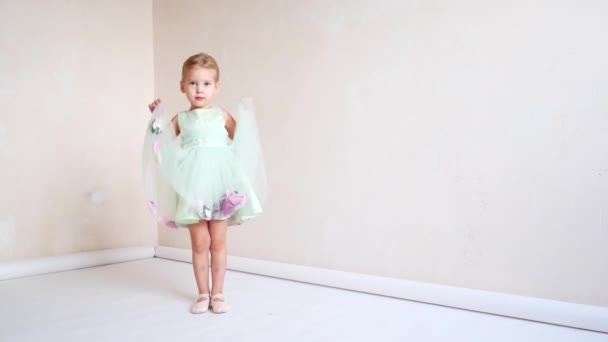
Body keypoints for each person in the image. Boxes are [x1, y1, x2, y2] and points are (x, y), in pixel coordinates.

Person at [144, 52, 266, 314]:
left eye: (206, 84)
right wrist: (157, 120)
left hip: (220, 185)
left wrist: (247, 118)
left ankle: (218, 294)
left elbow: (243, 143)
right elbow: (161, 147)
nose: (200, 89)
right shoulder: (182, 119)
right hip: (193, 187)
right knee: (200, 243)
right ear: (182, 87)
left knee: (217, 241)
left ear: (216, 87)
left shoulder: (221, 116)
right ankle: (202, 293)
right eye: (193, 83)